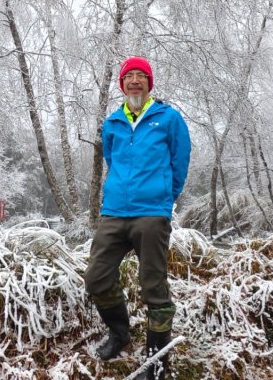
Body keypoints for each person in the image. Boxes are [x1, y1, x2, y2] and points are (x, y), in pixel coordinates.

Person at [84, 56, 191, 380]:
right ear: (122, 84)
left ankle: (156, 360)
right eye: (128, 76)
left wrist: (165, 197)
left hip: (151, 214)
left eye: (140, 76)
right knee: (96, 277)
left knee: (153, 286)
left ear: (149, 83)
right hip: (114, 212)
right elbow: (112, 160)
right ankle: (119, 334)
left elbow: (180, 161)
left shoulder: (168, 118)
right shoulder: (113, 123)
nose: (134, 81)